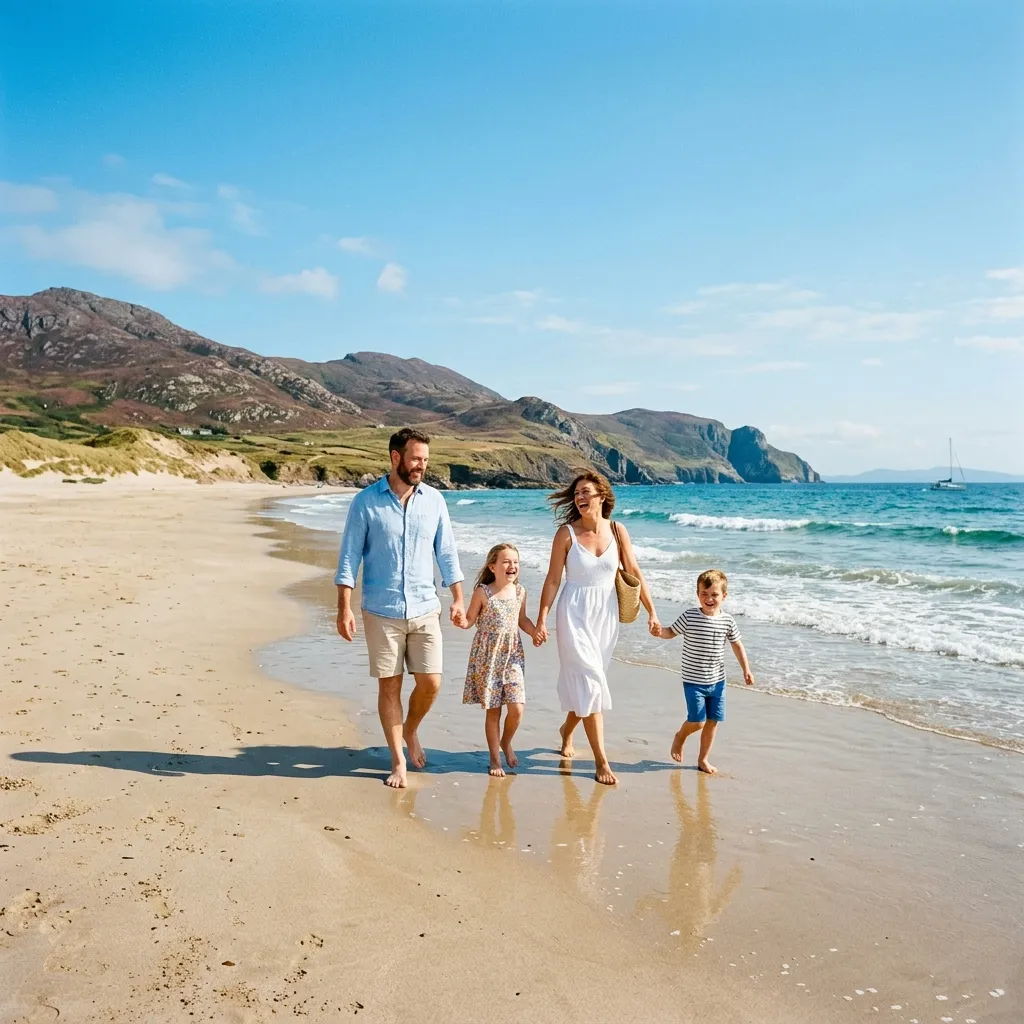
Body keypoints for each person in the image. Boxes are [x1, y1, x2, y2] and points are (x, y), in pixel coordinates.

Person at [335, 427, 466, 789]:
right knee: (389, 687)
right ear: (396, 457)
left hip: (425, 607)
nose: (422, 465)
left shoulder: (435, 501)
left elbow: (447, 553)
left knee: (432, 682)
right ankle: (397, 761)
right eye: (416, 459)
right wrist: (343, 608)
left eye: (425, 459)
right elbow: (349, 558)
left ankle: (410, 731)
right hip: (381, 609)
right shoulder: (366, 502)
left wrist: (457, 597)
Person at [533, 470, 660, 785]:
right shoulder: (566, 534)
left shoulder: (618, 531)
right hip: (572, 613)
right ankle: (601, 762)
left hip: (606, 616)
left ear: (602, 495)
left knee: (592, 683)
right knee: (590, 684)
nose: (579, 498)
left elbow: (634, 572)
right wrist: (541, 618)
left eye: (586, 492)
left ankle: (566, 730)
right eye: (576, 493)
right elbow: (552, 579)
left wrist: (652, 612)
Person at [653, 568, 754, 775]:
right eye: (704, 594)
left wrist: (746, 669)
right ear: (698, 594)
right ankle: (680, 736)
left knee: (713, 721)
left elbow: (737, 645)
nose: (709, 599)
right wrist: (658, 631)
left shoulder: (728, 621)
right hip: (693, 681)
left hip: (718, 681)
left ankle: (703, 759)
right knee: (697, 721)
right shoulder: (690, 616)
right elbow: (671, 632)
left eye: (714, 595)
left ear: (724, 596)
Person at [461, 543, 536, 777]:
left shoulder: (521, 591)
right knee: (493, 711)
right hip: (487, 657)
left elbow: (521, 619)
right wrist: (460, 620)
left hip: (513, 655)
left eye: (515, 562)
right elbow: (470, 619)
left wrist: (535, 632)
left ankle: (506, 742)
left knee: (517, 708)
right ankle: (495, 758)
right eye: (506, 561)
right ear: (493, 567)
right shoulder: (483, 592)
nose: (512, 566)